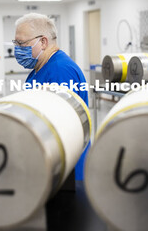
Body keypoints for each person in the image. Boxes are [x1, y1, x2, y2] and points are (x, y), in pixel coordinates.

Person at [13, 13, 90, 180]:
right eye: (15, 43)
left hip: (67, 168)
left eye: (21, 43)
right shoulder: (39, 68)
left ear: (43, 42)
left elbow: (63, 126)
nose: (17, 49)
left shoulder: (60, 71)